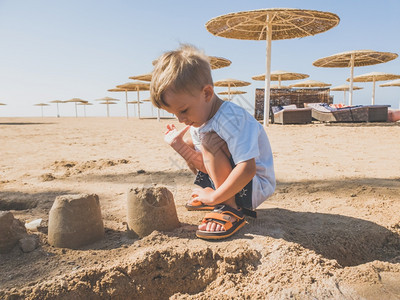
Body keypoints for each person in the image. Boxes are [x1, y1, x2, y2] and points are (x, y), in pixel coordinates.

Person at [150, 44, 275, 240]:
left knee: (208, 141)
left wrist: (216, 198)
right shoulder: (200, 118)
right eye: (174, 114)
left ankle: (229, 208)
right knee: (193, 142)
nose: (180, 119)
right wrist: (180, 146)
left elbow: (248, 169)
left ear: (207, 93)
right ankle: (221, 196)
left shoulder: (231, 118)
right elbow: (205, 164)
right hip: (237, 181)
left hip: (254, 184)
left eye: (183, 110)